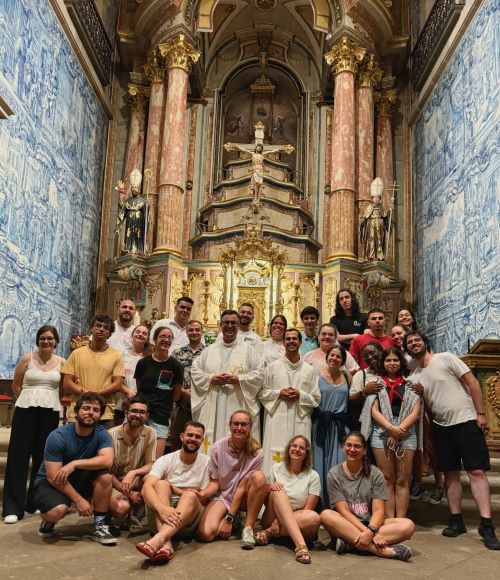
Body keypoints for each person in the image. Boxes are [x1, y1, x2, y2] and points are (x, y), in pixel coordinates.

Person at [406, 331, 500, 550]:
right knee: (450, 473)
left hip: (467, 420)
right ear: (408, 349)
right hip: (441, 427)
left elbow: (473, 382)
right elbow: (426, 408)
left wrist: (481, 413)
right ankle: (456, 519)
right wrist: (428, 436)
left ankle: (486, 524)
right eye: (409, 343)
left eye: (416, 340)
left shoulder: (446, 358)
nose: (414, 343)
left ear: (425, 343)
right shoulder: (415, 375)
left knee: (476, 471)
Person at [32, 392, 116, 545]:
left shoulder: (102, 434)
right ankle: (48, 521)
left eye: (96, 410)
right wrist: (78, 500)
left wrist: (74, 464)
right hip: (51, 483)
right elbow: (52, 476)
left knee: (106, 477)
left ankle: (100, 526)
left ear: (100, 415)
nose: (90, 412)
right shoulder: (58, 436)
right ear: (76, 412)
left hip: (80, 478)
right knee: (57, 511)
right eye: (86, 408)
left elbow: (107, 460)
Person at [3, 325, 65, 524]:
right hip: (26, 410)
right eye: (42, 338)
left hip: (50, 412)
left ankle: (35, 502)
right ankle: (13, 507)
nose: (46, 341)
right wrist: (26, 400)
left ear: (56, 341)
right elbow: (16, 385)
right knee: (18, 457)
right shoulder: (26, 359)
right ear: (38, 340)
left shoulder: (62, 362)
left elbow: (63, 390)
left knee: (42, 457)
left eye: (50, 338)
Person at [321, 432, 415, 560]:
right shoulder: (334, 473)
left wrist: (371, 531)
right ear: (343, 448)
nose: (352, 449)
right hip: (346, 523)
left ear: (364, 450)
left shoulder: (375, 473)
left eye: (357, 446)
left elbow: (378, 511)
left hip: (371, 523)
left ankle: (349, 544)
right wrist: (370, 534)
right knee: (326, 515)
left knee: (408, 526)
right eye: (348, 445)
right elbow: (344, 512)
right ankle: (378, 550)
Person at [360, 348, 422, 518]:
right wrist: (391, 429)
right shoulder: (377, 385)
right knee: (387, 479)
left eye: (395, 360)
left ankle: (400, 520)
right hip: (382, 432)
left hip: (406, 431)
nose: (392, 363)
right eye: (388, 361)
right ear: (383, 364)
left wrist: (398, 431)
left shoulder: (410, 385)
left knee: (402, 480)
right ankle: (388, 520)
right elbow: (373, 410)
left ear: (401, 363)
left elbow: (416, 412)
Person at [191, 310, 263, 453]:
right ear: (220, 325)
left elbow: (260, 374)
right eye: (226, 323)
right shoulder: (209, 351)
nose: (229, 326)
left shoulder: (249, 351)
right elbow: (195, 371)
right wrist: (211, 378)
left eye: (233, 323)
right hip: (214, 403)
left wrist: (239, 379)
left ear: (238, 325)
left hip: (237, 401)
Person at [137, 421, 210, 561]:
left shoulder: (207, 462)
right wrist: (162, 508)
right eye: (190, 435)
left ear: (202, 440)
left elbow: (203, 497)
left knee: (190, 495)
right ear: (182, 436)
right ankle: (166, 543)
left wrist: (177, 490)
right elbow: (146, 487)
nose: (193, 439)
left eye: (197, 437)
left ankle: (159, 540)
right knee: (161, 484)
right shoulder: (166, 460)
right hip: (160, 518)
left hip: (189, 521)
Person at [196, 410, 268, 549]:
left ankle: (247, 528)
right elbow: (215, 481)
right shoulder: (217, 447)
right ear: (230, 426)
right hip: (224, 496)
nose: (239, 428)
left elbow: (242, 487)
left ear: (250, 427)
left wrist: (228, 518)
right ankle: (235, 523)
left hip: (245, 496)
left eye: (244, 424)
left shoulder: (257, 451)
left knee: (260, 477)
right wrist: (204, 493)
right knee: (205, 534)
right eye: (236, 424)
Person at [259, 329, 320, 475]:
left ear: (300, 342)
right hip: (276, 419)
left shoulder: (309, 370)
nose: (291, 341)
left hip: (300, 419)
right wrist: (279, 393)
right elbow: (261, 393)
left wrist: (300, 394)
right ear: (284, 343)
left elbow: (316, 399)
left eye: (294, 339)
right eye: (288, 339)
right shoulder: (272, 368)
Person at [256, 436, 321, 564]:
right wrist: (271, 488)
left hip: (296, 521)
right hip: (272, 517)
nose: (297, 449)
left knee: (315, 518)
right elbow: (266, 500)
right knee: (278, 490)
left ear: (306, 453)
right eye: (294, 446)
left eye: (301, 448)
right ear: (289, 448)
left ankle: (270, 533)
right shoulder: (276, 468)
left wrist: (279, 524)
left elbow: (308, 509)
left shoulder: (313, 475)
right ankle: (301, 546)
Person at [62, 314, 124, 428]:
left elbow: (118, 384)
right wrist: (85, 393)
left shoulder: (116, 356)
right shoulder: (76, 353)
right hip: (78, 410)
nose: (101, 329)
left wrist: (95, 395)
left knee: (104, 445)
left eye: (106, 327)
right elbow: (67, 383)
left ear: (110, 333)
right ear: (91, 328)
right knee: (75, 446)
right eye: (98, 326)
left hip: (104, 413)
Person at [311, 345, 351, 506]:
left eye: (338, 357)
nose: (334, 359)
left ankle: (337, 504)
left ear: (343, 360)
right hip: (321, 425)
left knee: (339, 463)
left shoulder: (347, 376)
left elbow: (352, 397)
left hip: (340, 427)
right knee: (319, 463)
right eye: (332, 355)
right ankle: (320, 503)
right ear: (327, 357)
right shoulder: (316, 375)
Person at [134, 326, 183, 458]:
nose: (166, 340)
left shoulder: (176, 366)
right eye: (162, 336)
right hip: (141, 415)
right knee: (135, 458)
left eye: (169, 337)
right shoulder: (143, 363)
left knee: (154, 462)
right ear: (155, 339)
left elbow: (176, 395)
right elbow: (139, 389)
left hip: (161, 416)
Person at [108, 397, 156, 523]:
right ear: (126, 413)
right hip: (113, 483)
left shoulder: (151, 433)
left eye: (142, 412)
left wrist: (133, 473)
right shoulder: (110, 434)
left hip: (134, 481)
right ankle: (107, 509)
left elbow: (151, 464)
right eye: (134, 411)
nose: (137, 415)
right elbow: (105, 471)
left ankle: (140, 512)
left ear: (147, 416)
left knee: (152, 478)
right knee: (121, 508)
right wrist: (129, 494)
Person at [170, 320, 206, 451]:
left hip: (203, 403)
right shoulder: (177, 353)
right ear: (186, 332)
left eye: (197, 330)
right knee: (176, 438)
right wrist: (184, 392)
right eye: (191, 330)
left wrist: (196, 393)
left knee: (201, 438)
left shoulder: (208, 353)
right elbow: (171, 377)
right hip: (181, 403)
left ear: (202, 332)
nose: (194, 332)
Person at [117, 323, 150, 425]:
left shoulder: (149, 358)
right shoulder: (121, 355)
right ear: (132, 335)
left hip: (140, 403)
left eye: (144, 333)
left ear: (147, 339)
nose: (140, 334)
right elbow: (114, 378)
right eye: (138, 332)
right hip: (121, 401)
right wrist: (127, 391)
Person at [348, 342, 385, 431]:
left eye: (372, 352)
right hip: (369, 423)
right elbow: (351, 399)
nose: (369, 357)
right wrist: (364, 392)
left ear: (381, 351)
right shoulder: (361, 374)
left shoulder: (392, 370)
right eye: (365, 356)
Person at [115, 171, 149, 254]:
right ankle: (128, 248)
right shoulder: (128, 200)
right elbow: (122, 208)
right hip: (129, 223)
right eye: (133, 188)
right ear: (131, 189)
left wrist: (147, 206)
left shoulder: (143, 201)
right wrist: (121, 192)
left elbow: (146, 214)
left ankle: (139, 249)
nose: (134, 189)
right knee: (129, 236)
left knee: (138, 235)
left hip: (139, 223)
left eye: (135, 188)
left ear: (138, 189)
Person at [359, 177, 390, 262]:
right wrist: (362, 222)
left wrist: (390, 211)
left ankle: (380, 255)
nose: (376, 199)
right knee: (371, 238)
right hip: (371, 224)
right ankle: (371, 255)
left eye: (377, 197)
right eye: (374, 197)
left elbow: (385, 216)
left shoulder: (382, 207)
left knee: (379, 239)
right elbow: (365, 217)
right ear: (372, 198)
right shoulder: (370, 207)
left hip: (380, 224)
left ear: (380, 198)